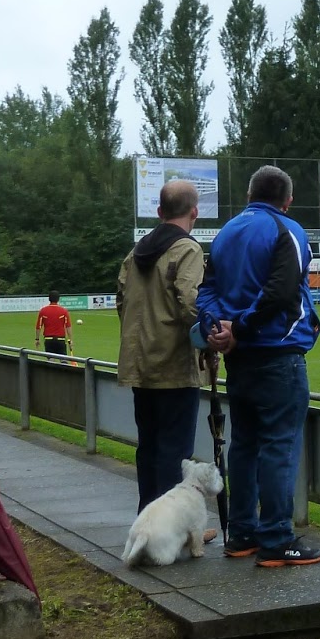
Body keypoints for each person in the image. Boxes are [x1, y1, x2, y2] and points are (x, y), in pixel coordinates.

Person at [199, 166, 320, 567]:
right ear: (287, 200)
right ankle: (276, 538)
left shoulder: (226, 232)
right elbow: (282, 292)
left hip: (240, 359)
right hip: (277, 354)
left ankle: (241, 533)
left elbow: (206, 290)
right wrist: (241, 328)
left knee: (245, 444)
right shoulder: (287, 228)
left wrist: (217, 329)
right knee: (278, 446)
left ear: (248, 194)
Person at [119, 180, 209, 514]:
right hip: (174, 366)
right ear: (195, 212)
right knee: (175, 452)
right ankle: (169, 527)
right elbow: (191, 303)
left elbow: (121, 302)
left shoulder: (135, 252)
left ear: (159, 212)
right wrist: (211, 337)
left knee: (150, 448)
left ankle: (148, 519)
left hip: (139, 366)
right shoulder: (188, 249)